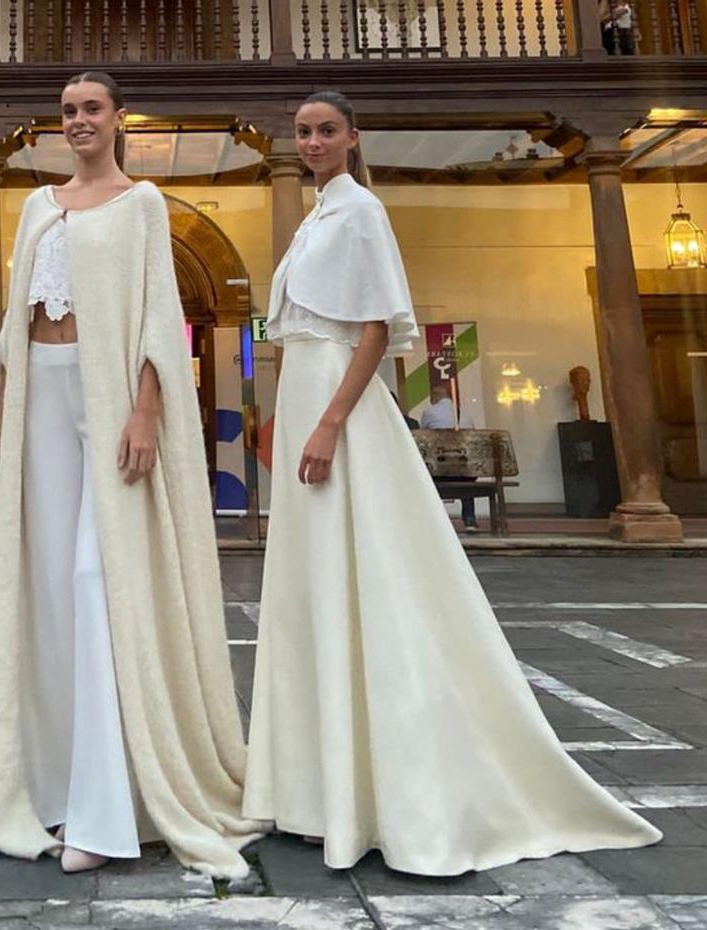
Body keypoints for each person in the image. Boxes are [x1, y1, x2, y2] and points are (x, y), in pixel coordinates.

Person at [242, 90, 661, 876]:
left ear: (352, 137)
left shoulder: (360, 210)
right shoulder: (312, 217)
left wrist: (332, 420)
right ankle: (317, 789)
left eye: (327, 129)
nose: (313, 140)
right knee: (311, 586)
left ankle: (379, 787)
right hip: (301, 389)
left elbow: (373, 328)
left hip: (337, 398)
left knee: (362, 574)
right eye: (303, 131)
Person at [0, 71, 262, 879]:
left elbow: (160, 316)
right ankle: (52, 782)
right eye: (68, 111)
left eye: (92, 108)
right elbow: (11, 321)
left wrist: (143, 410)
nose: (79, 120)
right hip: (40, 402)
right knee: (49, 590)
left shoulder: (142, 206)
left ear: (118, 119)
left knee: (103, 580)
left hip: (108, 401)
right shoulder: (35, 207)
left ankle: (107, 808)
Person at [420, 383, 478, 531]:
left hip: (440, 473)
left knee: (430, 472)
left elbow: (423, 438)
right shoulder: (465, 414)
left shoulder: (429, 412)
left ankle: (435, 521)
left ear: (434, 398)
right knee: (463, 469)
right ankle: (470, 519)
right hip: (466, 474)